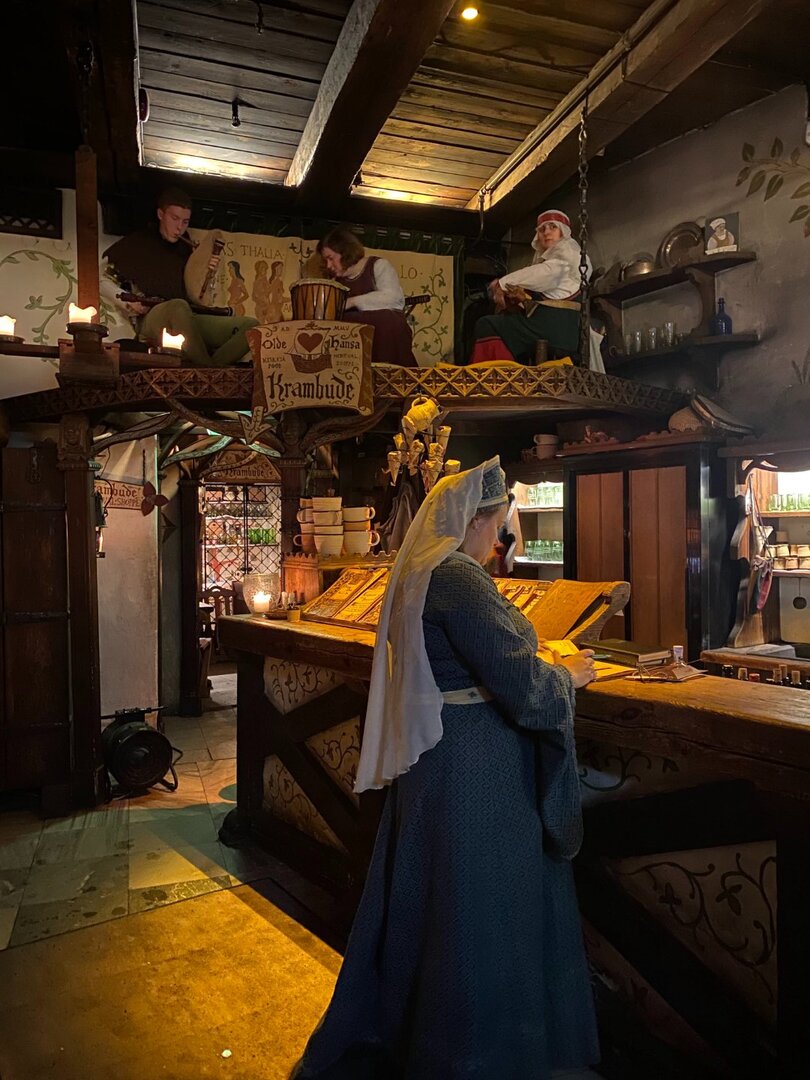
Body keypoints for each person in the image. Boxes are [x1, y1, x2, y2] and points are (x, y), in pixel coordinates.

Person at [292, 456, 599, 1079]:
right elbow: (522, 685)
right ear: (476, 520)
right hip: (475, 768)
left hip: (437, 762)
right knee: (480, 908)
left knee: (436, 902)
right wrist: (566, 676)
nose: (500, 538)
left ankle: (423, 1032)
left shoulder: (424, 569)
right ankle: (476, 1054)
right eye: (499, 524)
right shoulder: (459, 577)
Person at [103, 187, 257, 366]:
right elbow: (103, 279)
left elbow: (201, 298)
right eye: (174, 218)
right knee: (178, 306)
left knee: (250, 326)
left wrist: (207, 272)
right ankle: (208, 370)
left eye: (185, 222)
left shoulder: (188, 250)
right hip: (152, 318)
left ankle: (209, 369)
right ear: (161, 214)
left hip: (187, 315)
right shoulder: (139, 242)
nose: (179, 227)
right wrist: (129, 303)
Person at [471, 209, 603, 370]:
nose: (546, 232)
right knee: (504, 319)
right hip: (555, 328)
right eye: (542, 229)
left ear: (563, 232)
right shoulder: (555, 261)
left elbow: (544, 273)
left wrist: (502, 283)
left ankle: (498, 374)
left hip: (557, 330)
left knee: (487, 324)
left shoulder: (568, 259)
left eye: (553, 227)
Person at [317, 226, 417, 366]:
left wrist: (351, 302)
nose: (328, 265)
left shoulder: (378, 265)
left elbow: (393, 298)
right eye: (326, 260)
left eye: (330, 258)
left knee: (389, 320)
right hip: (350, 344)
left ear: (345, 252)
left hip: (382, 335)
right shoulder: (335, 281)